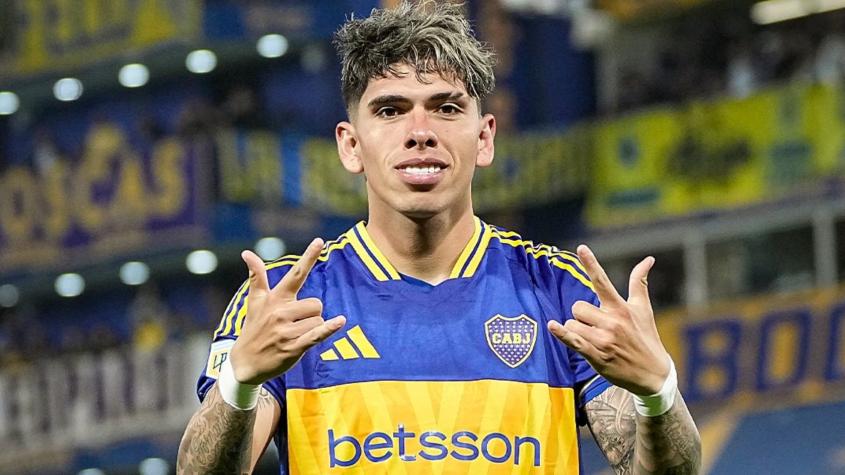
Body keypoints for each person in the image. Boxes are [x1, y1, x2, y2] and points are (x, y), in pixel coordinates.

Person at [177, 2, 701, 473]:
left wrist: (657, 391)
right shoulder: (285, 300)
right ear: (350, 146)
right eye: (390, 110)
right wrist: (240, 380)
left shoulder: (561, 292)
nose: (420, 131)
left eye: (447, 108)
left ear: (485, 137)